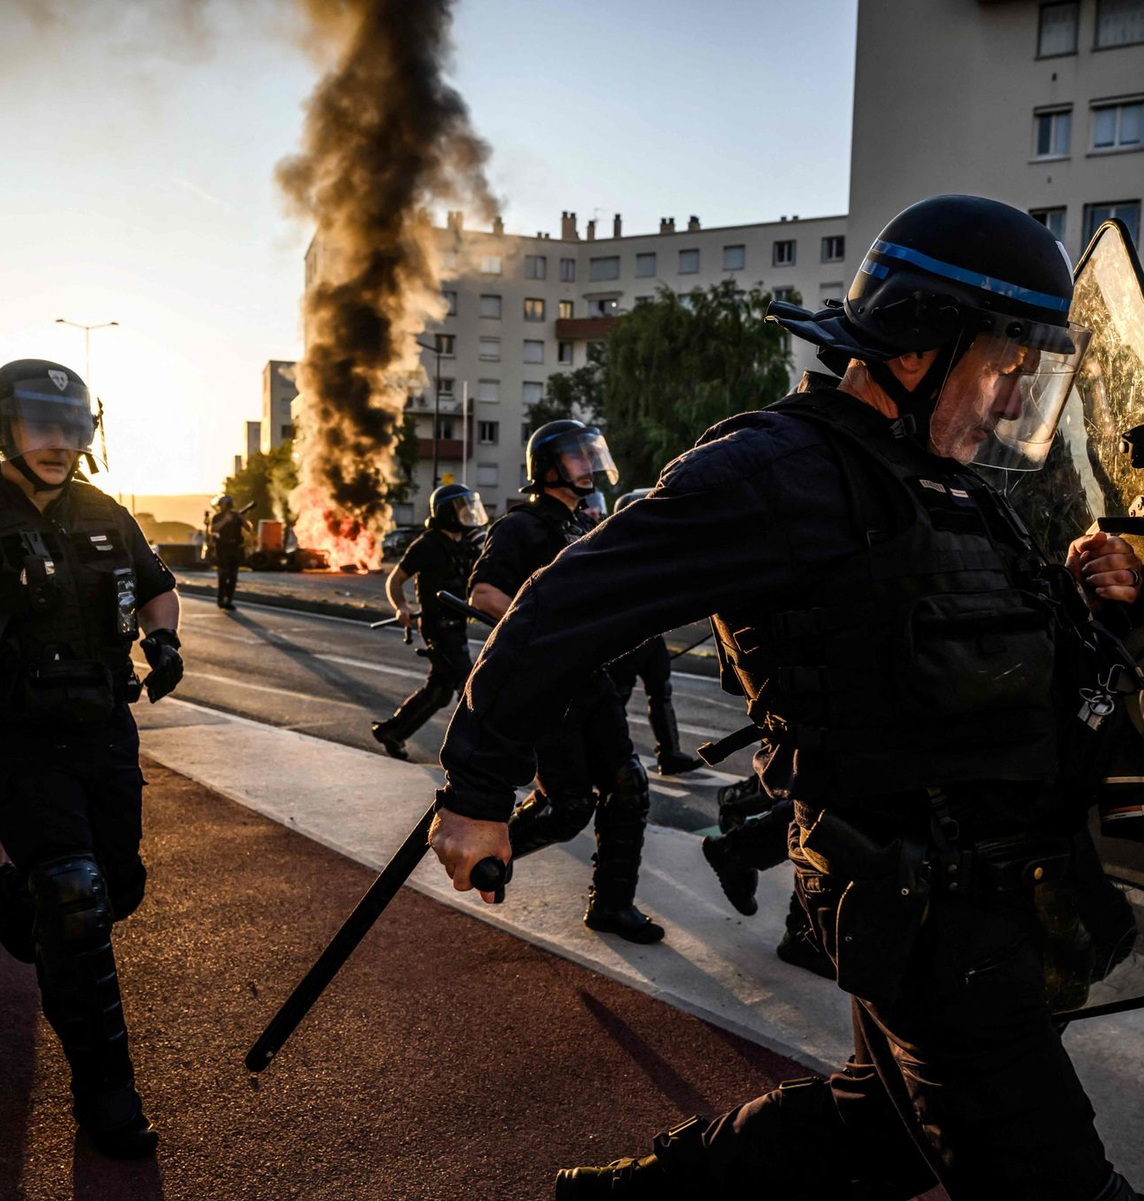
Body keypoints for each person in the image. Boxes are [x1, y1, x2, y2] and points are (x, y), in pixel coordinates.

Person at [427, 197, 1142, 1199]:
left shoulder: (962, 490)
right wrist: (477, 790)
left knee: (878, 1130)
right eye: (1003, 364)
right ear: (918, 345)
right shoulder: (777, 469)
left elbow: (1011, 668)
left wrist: (1102, 600)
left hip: (999, 896)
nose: (1016, 399)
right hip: (924, 911)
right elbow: (563, 605)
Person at [0, 360, 184, 1159]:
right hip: (16, 736)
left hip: (105, 730)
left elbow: (156, 586)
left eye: (72, 426)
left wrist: (164, 638)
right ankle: (107, 1095)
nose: (58, 441)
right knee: (75, 897)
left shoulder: (106, 512)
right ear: (1, 425)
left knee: (117, 887)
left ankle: (16, 895)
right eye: (40, 424)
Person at [467, 419, 663, 945]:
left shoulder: (581, 525)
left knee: (628, 784)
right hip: (549, 687)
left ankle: (611, 905)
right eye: (577, 456)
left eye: (589, 455)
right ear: (549, 467)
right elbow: (484, 594)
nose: (589, 465)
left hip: (591, 679)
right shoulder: (521, 525)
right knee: (568, 806)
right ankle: (490, 856)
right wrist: (544, 637)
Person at [371, 483, 488, 760]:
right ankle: (474, 754)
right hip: (438, 627)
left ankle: (392, 732)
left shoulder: (465, 543)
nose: (468, 513)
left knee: (440, 691)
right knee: (469, 685)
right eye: (461, 508)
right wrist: (402, 608)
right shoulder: (427, 545)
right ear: (447, 512)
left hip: (457, 624)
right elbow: (395, 580)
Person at [603, 492, 700, 777]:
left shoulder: (655, 547)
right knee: (615, 699)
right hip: (626, 639)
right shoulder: (616, 552)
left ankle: (669, 754)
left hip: (650, 636)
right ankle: (608, 757)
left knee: (660, 692)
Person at [209, 492, 249, 610]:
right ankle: (221, 599)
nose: (220, 506)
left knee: (233, 576)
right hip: (222, 549)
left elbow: (248, 528)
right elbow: (213, 529)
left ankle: (229, 600)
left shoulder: (236, 516)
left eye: (222, 504)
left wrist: (243, 519)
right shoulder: (218, 517)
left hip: (235, 548)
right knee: (223, 574)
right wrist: (225, 520)